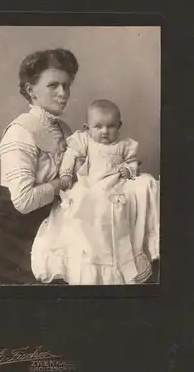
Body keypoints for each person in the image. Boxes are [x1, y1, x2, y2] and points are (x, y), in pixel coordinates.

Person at [31, 99, 160, 285]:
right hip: (91, 182)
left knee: (145, 184)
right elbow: (70, 155)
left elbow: (132, 162)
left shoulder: (125, 145)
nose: (105, 131)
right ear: (87, 127)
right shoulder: (85, 140)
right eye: (98, 127)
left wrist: (129, 170)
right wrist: (66, 173)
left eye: (111, 126)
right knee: (87, 203)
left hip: (116, 182)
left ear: (119, 126)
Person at [0, 48, 79, 285]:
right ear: (31, 90)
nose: (63, 93)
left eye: (67, 85)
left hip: (52, 223)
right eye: (53, 86)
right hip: (15, 236)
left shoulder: (64, 130)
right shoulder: (21, 132)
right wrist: (63, 183)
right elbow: (24, 201)